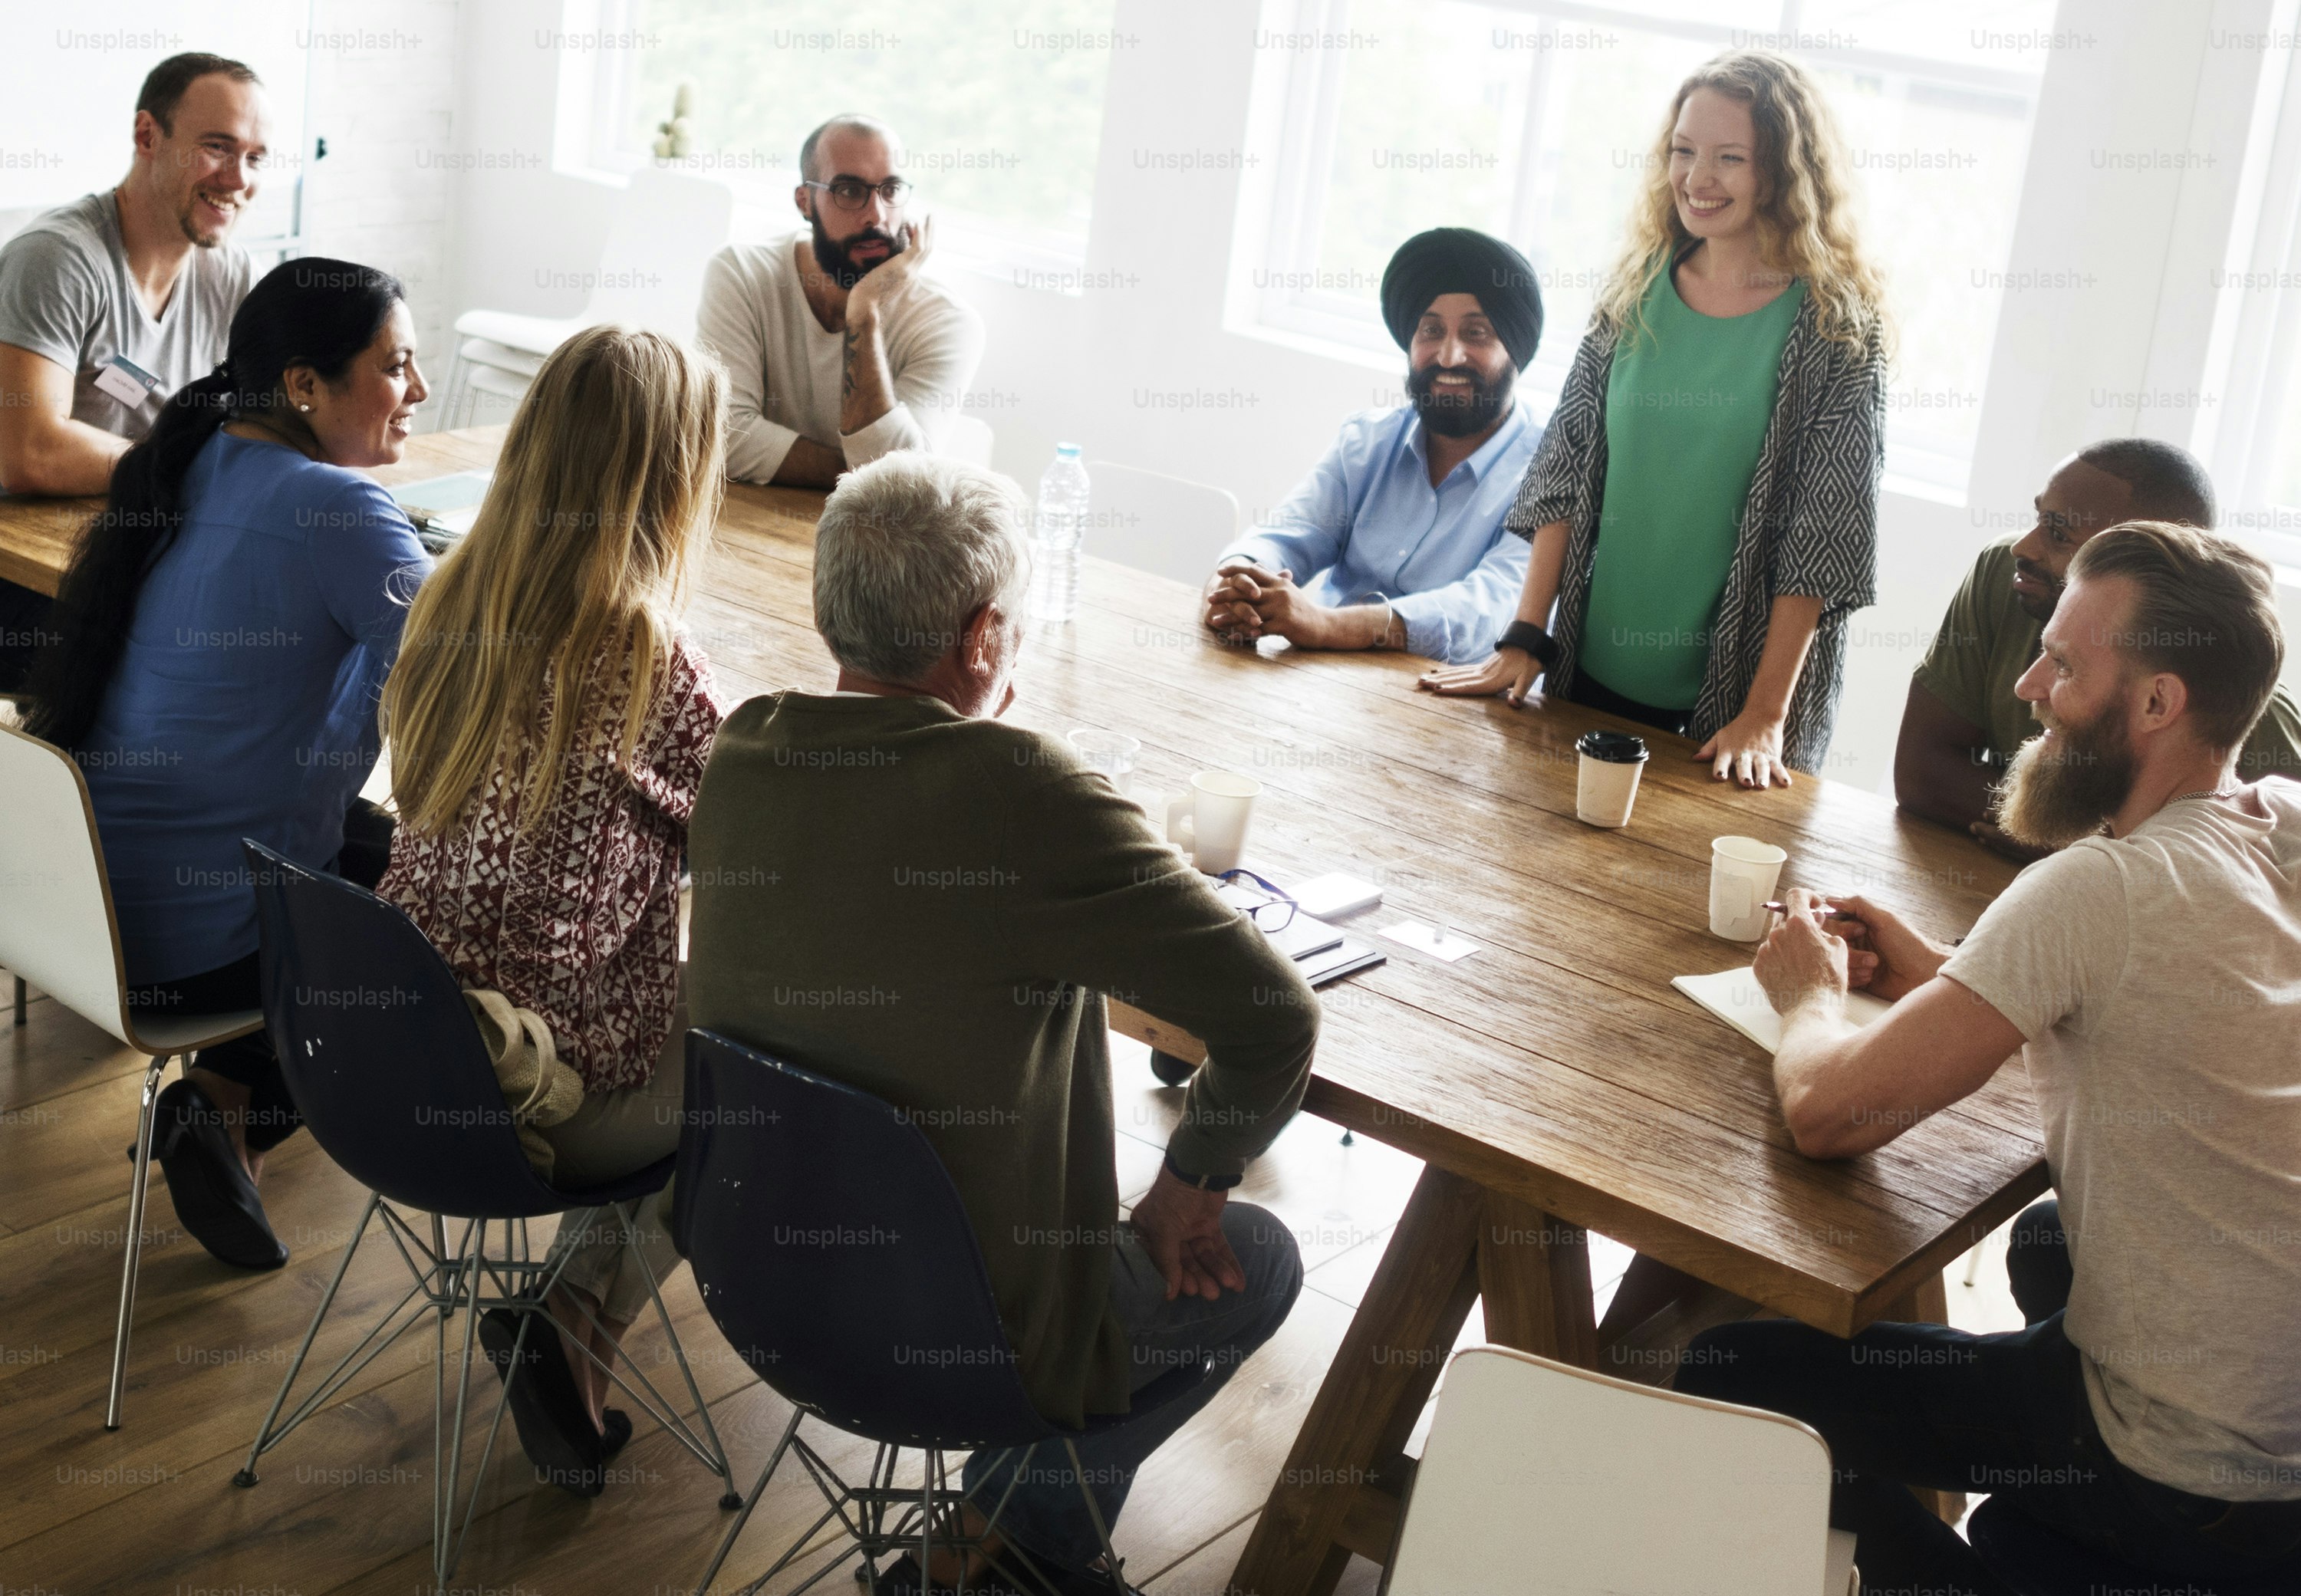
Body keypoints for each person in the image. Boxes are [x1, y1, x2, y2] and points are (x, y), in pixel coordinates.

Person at [686, 452, 1315, 1594]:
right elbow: (1277, 1015)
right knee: (1261, 1261)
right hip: (968, 1333)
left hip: (757, 1281)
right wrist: (1194, 1181)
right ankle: (1007, 1548)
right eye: (1011, 628)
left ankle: (994, 1549)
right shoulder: (1024, 789)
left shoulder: (742, 747)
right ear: (985, 638)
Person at [1675, 522, 2301, 1592]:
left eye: (2063, 663)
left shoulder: (2098, 890)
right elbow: (2172, 1014)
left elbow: (1828, 1116)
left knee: (1728, 1369)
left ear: (2158, 704)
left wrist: (1811, 996)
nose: (2026, 685)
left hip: (2185, 1469)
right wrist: (1949, 975)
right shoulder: (2279, 821)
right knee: (2050, 1240)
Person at [21, 259, 430, 1269]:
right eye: (397, 365)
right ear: (303, 385)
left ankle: (225, 1110)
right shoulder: (342, 509)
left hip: (70, 914)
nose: (418, 391)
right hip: (187, 959)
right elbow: (467, 681)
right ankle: (226, 1098)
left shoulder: (181, 461)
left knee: (370, 847)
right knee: (445, 906)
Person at [376, 325, 729, 1497]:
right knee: (761, 1063)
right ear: (670, 482)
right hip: (546, 1097)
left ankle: (567, 1317)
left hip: (401, 1056)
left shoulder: (442, 605)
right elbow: (750, 853)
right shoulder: (645, 658)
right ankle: (577, 1313)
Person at [1421, 51, 1888, 789]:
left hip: (1732, 709)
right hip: (1591, 669)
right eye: (1684, 151)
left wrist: (1766, 714)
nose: (1697, 180)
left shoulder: (1835, 333)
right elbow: (1566, 472)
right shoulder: (1634, 290)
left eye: (1730, 158)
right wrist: (1525, 637)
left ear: (1785, 171)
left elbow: (1821, 536)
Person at [1897, 437, 2301, 858]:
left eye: (2058, 532)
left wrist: (2078, 853)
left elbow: (2277, 874)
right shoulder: (2006, 577)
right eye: (2039, 518)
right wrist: (2064, 842)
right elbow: (1921, 773)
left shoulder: (2244, 703)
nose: (2024, 547)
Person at [0, 51, 265, 688]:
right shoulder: (58, 260)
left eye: (255, 157)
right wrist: (178, 466)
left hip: (140, 549)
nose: (238, 179)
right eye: (217, 148)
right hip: (24, 579)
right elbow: (27, 449)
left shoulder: (231, 275)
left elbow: (259, 431)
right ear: (148, 136)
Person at [1200, 227, 1542, 664]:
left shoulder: (1546, 472)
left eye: (1476, 334)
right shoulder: (1367, 441)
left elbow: (1491, 611)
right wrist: (1236, 585)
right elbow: (1284, 535)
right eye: (1431, 330)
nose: (1449, 356)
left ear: (1516, 349)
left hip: (1460, 708)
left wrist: (1324, 625)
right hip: (1326, 684)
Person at [694, 113, 983, 489]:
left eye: (891, 190)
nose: (876, 215)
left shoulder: (947, 322)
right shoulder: (741, 274)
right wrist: (861, 474)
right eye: (850, 191)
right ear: (805, 202)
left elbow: (902, 485)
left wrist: (865, 312)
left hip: (878, 543)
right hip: (754, 526)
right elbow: (724, 436)